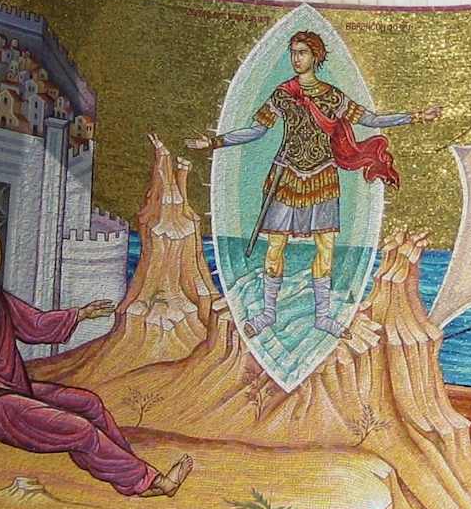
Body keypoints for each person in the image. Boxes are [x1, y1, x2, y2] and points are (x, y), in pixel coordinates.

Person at [0, 215, 190, 499]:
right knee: (80, 430)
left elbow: (36, 325)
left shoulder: (0, 300)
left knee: (90, 403)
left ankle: (132, 476)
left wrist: (80, 314)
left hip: (18, 389)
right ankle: (152, 482)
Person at [188, 30, 440, 336]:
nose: (296, 58)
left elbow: (371, 120)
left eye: (302, 52)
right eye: (293, 52)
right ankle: (268, 314)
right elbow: (256, 130)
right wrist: (214, 142)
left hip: (322, 178)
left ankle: (323, 317)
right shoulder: (283, 93)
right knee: (275, 247)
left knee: (326, 248)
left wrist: (415, 116)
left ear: (315, 56)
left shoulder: (332, 96)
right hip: (286, 176)